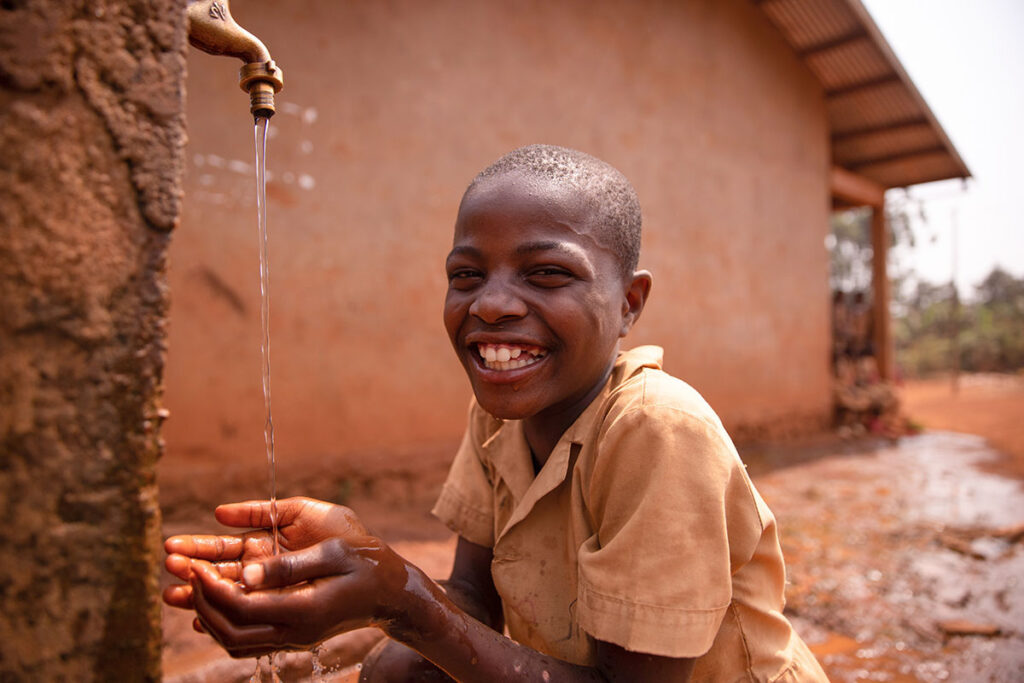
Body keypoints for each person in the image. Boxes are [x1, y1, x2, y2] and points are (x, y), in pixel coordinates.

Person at [164, 145, 829, 681]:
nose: (490, 304)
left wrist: (400, 598)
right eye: (467, 274)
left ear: (629, 302)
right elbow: (473, 598)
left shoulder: (657, 427)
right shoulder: (499, 414)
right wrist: (342, 589)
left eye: (545, 274)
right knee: (398, 670)